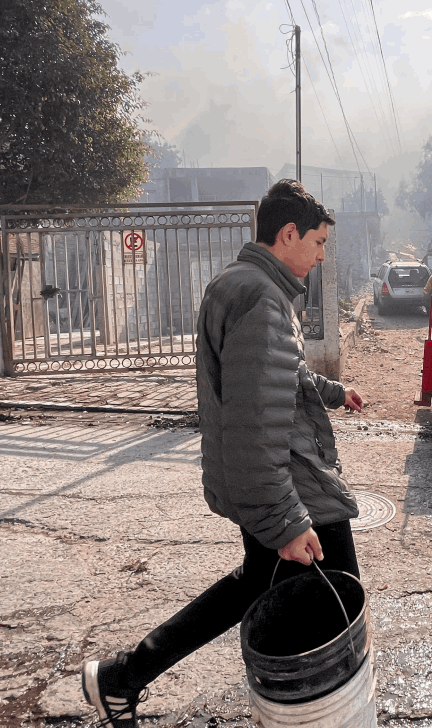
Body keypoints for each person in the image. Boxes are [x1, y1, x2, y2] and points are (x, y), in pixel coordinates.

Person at [81, 179, 365, 728]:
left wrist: (333, 392)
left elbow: (277, 374)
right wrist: (285, 521)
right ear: (288, 234)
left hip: (276, 484)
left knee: (257, 587)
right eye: (319, 242)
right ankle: (327, 713)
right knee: (338, 602)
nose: (323, 255)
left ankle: (123, 675)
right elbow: (254, 422)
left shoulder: (244, 283)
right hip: (293, 486)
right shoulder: (261, 297)